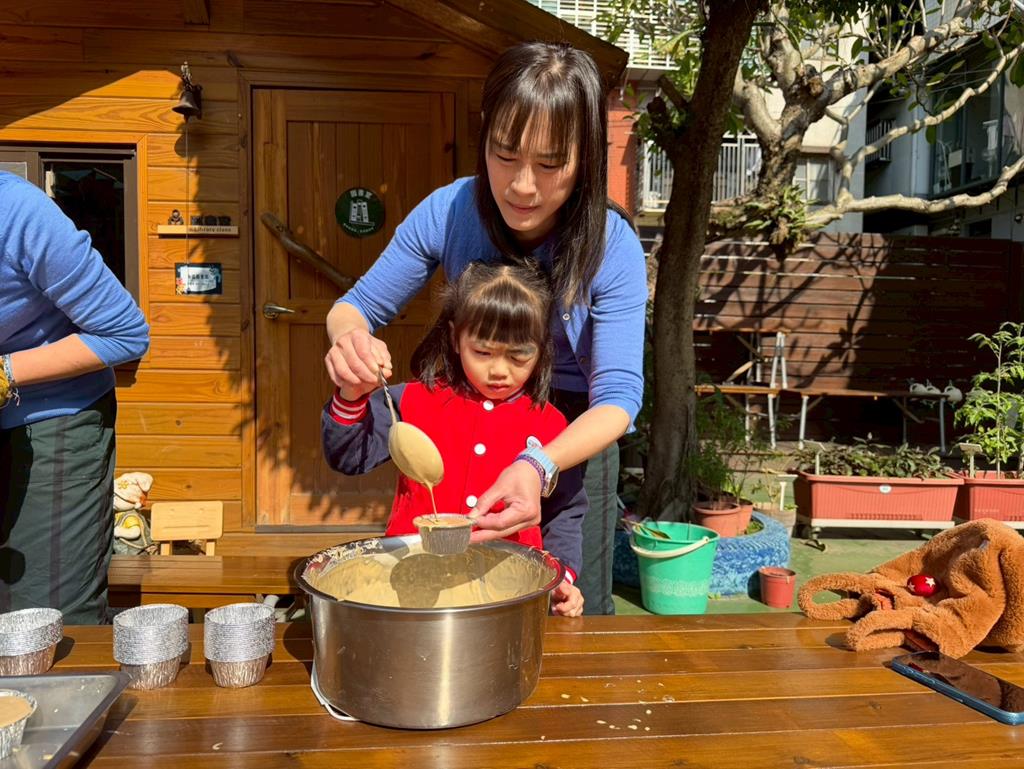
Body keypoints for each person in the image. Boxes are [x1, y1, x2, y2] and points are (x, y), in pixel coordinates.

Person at [324, 42, 647, 615]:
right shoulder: (450, 210)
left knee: (572, 603)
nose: (522, 186)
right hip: (467, 407)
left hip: (572, 432)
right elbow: (356, 307)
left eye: (550, 164)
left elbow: (619, 397)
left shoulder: (611, 244)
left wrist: (539, 463)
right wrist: (350, 340)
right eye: (504, 155)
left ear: (588, 156)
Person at [322, 262, 585, 617]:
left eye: (519, 354)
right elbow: (349, 456)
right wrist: (352, 395)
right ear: (455, 339)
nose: (499, 371)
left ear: (542, 348)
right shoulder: (414, 401)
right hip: (411, 585)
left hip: (509, 590)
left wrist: (561, 575)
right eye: (483, 352)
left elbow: (565, 509)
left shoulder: (553, 426)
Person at [0, 171, 150, 624]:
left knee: (43, 613)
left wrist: (5, 372)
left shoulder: (17, 212)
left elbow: (125, 334)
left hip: (53, 416)